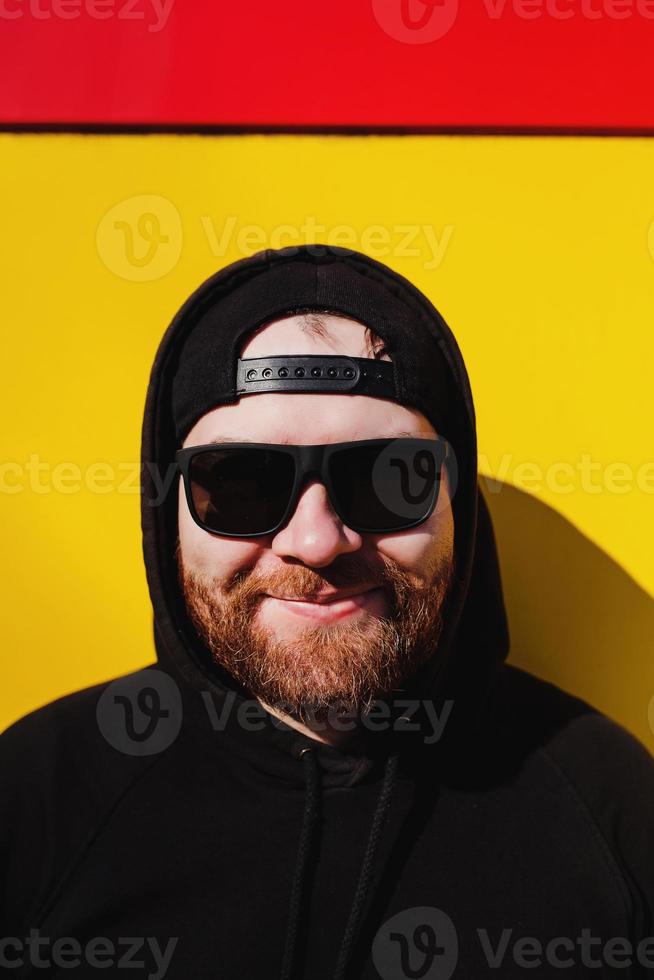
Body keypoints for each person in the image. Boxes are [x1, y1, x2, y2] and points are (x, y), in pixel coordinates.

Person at [1, 244, 653, 979]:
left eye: (385, 477)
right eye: (240, 482)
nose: (315, 541)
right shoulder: (40, 798)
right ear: (165, 512)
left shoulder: (607, 803)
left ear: (457, 502)